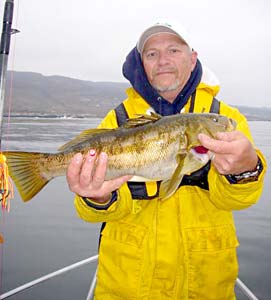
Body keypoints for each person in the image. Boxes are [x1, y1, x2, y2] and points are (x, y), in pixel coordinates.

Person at [66, 21, 266, 300]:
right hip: (128, 286)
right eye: (151, 54)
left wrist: (246, 170)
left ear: (192, 57)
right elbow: (93, 213)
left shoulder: (226, 119)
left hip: (205, 285)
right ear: (141, 63)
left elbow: (236, 200)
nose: (163, 61)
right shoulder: (117, 120)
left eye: (173, 50)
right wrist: (98, 199)